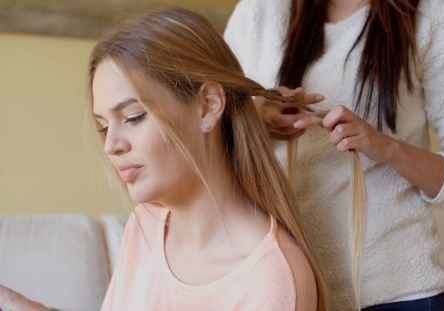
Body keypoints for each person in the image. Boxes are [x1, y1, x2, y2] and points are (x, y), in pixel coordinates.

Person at [0, 7, 328, 311]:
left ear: (207, 106)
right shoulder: (146, 225)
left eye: (133, 117)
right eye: (102, 126)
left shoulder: (273, 280)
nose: (111, 145)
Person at [223, 0, 444, 310]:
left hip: (395, 293)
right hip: (280, 290)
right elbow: (206, 143)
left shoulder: (431, 20)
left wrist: (387, 148)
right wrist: (253, 119)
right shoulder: (258, 13)